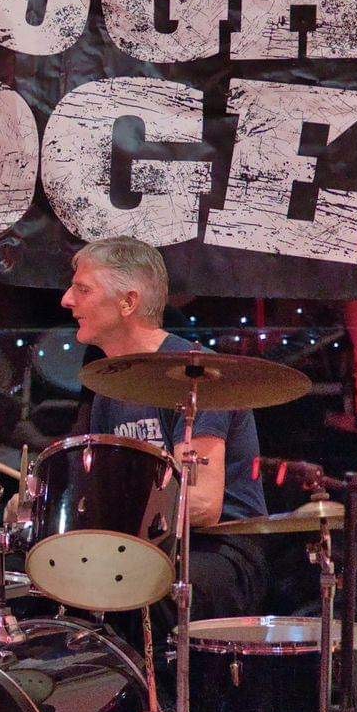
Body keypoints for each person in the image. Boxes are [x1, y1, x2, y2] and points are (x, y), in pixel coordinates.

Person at [62, 236, 267, 618]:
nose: (67, 300)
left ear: (128, 302)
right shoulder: (107, 387)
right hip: (146, 545)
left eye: (83, 289)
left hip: (217, 551)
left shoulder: (195, 374)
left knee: (122, 588)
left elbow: (202, 504)